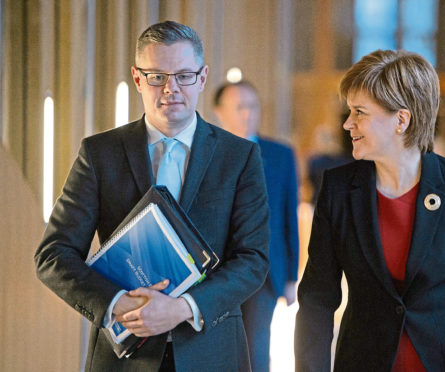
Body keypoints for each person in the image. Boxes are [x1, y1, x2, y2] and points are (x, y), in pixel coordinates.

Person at [34, 21, 269, 371]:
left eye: (184, 75)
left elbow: (253, 259)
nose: (171, 88)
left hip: (212, 351)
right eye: (157, 76)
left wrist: (183, 307)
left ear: (202, 77)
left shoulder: (239, 157)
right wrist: (116, 303)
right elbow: (53, 255)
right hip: (124, 356)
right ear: (137, 78)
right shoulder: (100, 153)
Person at [294, 49, 445, 371]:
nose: (348, 123)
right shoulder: (339, 190)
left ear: (401, 120)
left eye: (360, 112)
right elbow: (317, 298)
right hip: (366, 361)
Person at [214, 81, 299, 372]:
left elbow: (289, 215)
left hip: (264, 271)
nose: (247, 113)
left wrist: (291, 277)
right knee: (217, 350)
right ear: (219, 112)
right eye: (239, 107)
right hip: (216, 270)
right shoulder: (208, 154)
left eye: (252, 106)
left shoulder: (280, 154)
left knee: (256, 349)